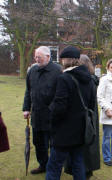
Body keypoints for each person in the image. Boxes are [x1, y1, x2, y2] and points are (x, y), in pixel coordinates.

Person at [46, 46, 96, 180]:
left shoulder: (64, 78)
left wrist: (52, 121)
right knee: (78, 163)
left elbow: (59, 107)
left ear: (67, 60)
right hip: (81, 130)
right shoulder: (89, 79)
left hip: (64, 131)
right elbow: (91, 105)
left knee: (54, 165)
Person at [22, 46, 62, 174]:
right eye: (35, 57)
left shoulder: (58, 71)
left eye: (39, 57)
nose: (36, 59)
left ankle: (54, 167)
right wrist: (26, 108)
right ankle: (43, 165)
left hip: (52, 115)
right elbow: (28, 91)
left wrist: (52, 109)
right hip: (37, 114)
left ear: (48, 57)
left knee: (54, 144)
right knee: (38, 142)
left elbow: (60, 94)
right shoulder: (32, 71)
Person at [64, 54, 100, 180]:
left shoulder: (86, 80)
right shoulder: (92, 79)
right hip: (90, 115)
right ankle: (87, 171)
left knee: (83, 145)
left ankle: (82, 171)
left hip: (83, 116)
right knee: (89, 143)